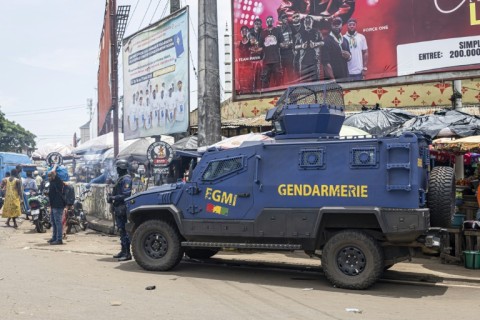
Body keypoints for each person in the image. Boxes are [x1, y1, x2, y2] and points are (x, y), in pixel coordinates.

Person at [107, 159, 133, 261]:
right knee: (121, 230)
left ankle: (127, 253)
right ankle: (123, 250)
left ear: (122, 168)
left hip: (122, 207)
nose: (117, 170)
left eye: (118, 168)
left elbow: (125, 194)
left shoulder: (126, 179)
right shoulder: (121, 178)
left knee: (124, 230)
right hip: (118, 207)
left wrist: (113, 198)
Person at [278, 0, 355, 25]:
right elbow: (283, 11)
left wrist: (329, 19)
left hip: (327, 37)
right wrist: (309, 18)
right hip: (301, 37)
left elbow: (348, 6)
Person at [295, 15, 323, 82]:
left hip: (314, 62)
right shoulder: (299, 34)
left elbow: (323, 42)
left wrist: (315, 44)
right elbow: (295, 46)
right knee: (304, 84)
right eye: (306, 21)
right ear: (304, 23)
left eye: (309, 21)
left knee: (316, 83)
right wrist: (301, 46)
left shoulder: (317, 31)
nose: (307, 23)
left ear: (312, 22)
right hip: (303, 62)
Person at [260, 15, 284, 89]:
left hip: (276, 59)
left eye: (271, 19)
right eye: (268, 20)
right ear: (266, 22)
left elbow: (282, 43)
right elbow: (260, 46)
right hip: (266, 61)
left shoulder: (278, 30)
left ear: (273, 21)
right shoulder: (263, 33)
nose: (269, 21)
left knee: (278, 79)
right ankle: (264, 97)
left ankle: (279, 95)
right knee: (265, 81)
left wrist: (286, 44)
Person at [47, 166, 66, 245]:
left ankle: (59, 239)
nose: (49, 177)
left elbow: (53, 172)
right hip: (53, 205)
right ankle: (54, 237)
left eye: (50, 176)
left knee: (58, 222)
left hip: (58, 205)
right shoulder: (52, 182)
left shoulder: (58, 181)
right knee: (53, 222)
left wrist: (54, 165)